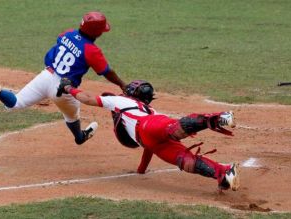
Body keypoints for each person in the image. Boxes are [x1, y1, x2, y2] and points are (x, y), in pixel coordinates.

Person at [56, 78, 240, 191]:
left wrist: (68, 89)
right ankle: (224, 174)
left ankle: (220, 118)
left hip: (147, 126)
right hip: (151, 140)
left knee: (174, 129)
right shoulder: (149, 109)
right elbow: (148, 146)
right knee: (186, 161)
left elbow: (87, 99)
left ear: (132, 93)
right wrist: (142, 168)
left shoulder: (119, 100)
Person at [0, 11, 126, 145]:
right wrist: (122, 84)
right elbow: (107, 72)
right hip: (63, 88)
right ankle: (80, 137)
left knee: (16, 103)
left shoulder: (68, 33)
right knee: (71, 115)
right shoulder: (92, 50)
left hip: (46, 76)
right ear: (96, 32)